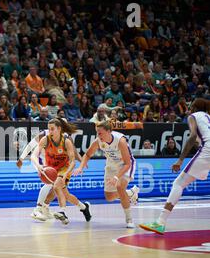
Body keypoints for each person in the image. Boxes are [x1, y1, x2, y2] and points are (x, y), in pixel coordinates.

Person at [140, 99, 210, 234]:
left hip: (207, 150)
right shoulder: (207, 117)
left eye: (190, 105)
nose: (188, 107)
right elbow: (198, 139)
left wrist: (180, 160)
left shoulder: (193, 116)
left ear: (194, 107)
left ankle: (160, 222)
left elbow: (193, 136)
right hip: (207, 148)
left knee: (178, 183)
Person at [17, 124, 91, 222]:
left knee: (63, 193)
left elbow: (74, 153)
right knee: (50, 184)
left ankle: (83, 207)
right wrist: (21, 158)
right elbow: (31, 145)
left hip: (60, 167)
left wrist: (82, 162)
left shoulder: (67, 139)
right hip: (43, 162)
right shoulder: (45, 135)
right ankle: (38, 208)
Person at [72, 120, 139, 228]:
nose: (98, 135)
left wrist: (117, 177)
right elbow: (88, 154)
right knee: (109, 197)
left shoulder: (120, 141)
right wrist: (80, 167)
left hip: (125, 165)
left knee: (119, 187)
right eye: (97, 132)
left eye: (100, 133)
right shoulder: (99, 141)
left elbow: (127, 164)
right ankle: (130, 193)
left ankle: (129, 219)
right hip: (111, 166)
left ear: (109, 131)